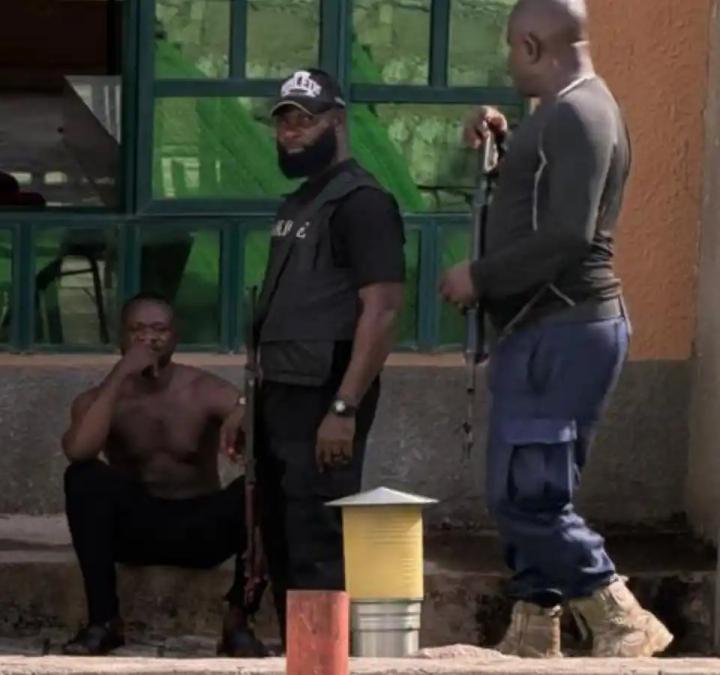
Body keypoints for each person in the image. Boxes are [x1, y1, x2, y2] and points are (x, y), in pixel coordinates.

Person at [439, 0, 672, 659]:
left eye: (512, 49)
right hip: (549, 328)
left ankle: (620, 614)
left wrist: (480, 276)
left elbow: (568, 233)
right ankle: (535, 627)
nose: (509, 62)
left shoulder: (579, 114)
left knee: (526, 494)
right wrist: (506, 140)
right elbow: (545, 198)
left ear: (533, 47)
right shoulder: (566, 113)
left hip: (564, 327)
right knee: (531, 483)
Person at [219, 68, 405, 634]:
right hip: (279, 394)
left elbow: (382, 311)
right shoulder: (300, 203)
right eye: (284, 122)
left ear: (337, 122)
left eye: (305, 120)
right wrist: (249, 403)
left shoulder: (363, 203)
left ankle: (321, 660)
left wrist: (344, 408)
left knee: (317, 541)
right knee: (277, 537)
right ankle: (296, 653)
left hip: (325, 397)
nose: (291, 133)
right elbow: (283, 312)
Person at [60, 292, 269, 658]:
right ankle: (104, 621)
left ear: (175, 338)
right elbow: (79, 451)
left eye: (159, 330)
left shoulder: (202, 389)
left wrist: (244, 409)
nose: (148, 339)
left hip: (200, 527)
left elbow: (255, 417)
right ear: (120, 338)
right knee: (82, 477)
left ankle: (238, 621)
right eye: (137, 330)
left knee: (267, 483)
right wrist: (121, 374)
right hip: (135, 529)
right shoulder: (98, 399)